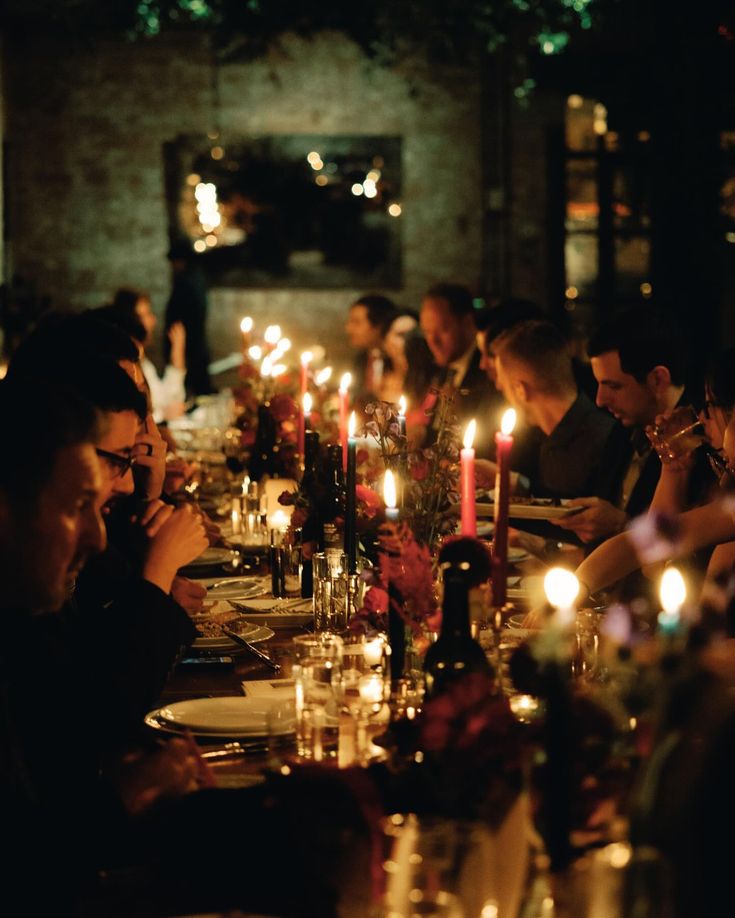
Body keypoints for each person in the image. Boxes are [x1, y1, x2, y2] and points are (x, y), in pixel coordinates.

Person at [549, 305, 711, 548]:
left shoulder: (703, 443)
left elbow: (689, 547)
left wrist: (622, 524)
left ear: (658, 379)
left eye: (613, 386)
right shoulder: (623, 430)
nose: (599, 400)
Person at [480, 319, 615, 500]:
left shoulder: (605, 442)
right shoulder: (548, 440)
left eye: (503, 385)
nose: (498, 387)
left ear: (521, 390)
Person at [419, 282, 501, 456]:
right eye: (427, 331)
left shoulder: (489, 371)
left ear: (467, 323)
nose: (433, 341)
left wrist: (459, 419)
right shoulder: (440, 369)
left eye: (443, 330)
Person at [109, 287, 187, 423]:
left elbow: (166, 399)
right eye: (145, 315)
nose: (153, 320)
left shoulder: (143, 361)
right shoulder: (124, 363)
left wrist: (177, 354)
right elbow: (129, 419)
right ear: (129, 319)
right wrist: (163, 415)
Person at [164, 238, 214, 397]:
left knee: (187, 387)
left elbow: (186, 314)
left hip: (188, 343)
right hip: (193, 342)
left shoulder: (187, 281)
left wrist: (179, 343)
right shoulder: (194, 277)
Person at [345, 292, 397, 406]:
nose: (348, 329)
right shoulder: (361, 359)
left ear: (379, 326)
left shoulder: (398, 360)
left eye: (356, 322)